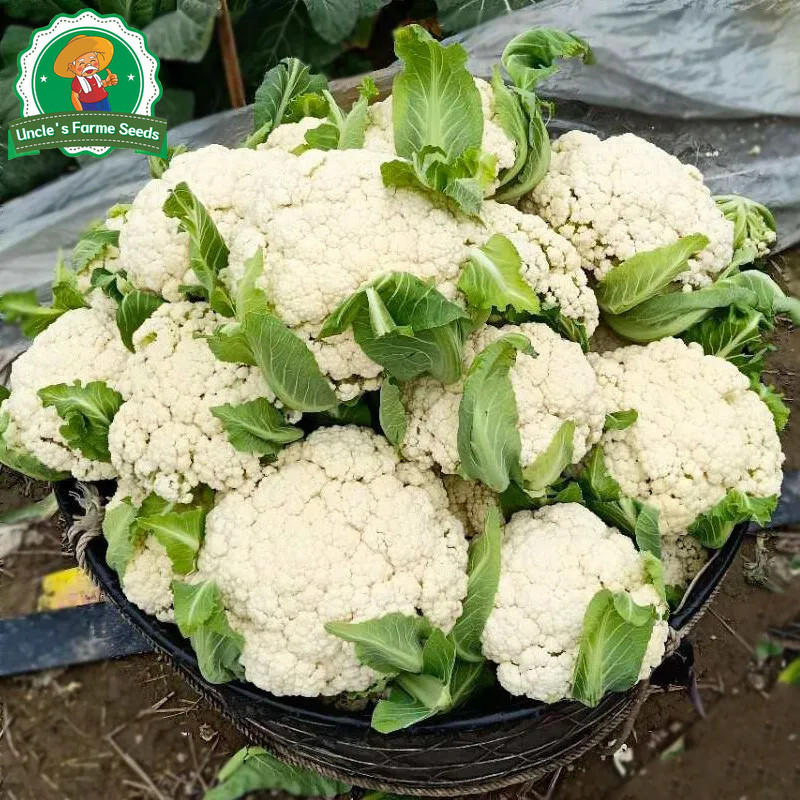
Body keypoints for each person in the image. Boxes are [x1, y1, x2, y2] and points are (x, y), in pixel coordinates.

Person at [53, 34, 118, 112]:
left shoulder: (95, 76)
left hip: (104, 100)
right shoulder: (78, 81)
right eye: (81, 63)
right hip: (89, 104)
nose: (88, 65)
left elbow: (98, 85)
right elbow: (74, 97)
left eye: (92, 60)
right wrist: (80, 112)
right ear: (72, 67)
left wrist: (107, 82)